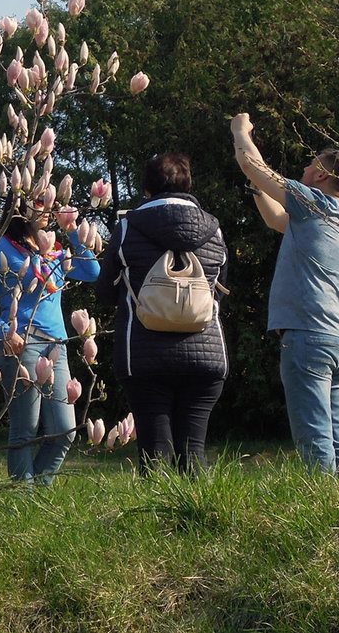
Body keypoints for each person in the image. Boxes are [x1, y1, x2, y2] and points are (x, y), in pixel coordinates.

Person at [231, 113, 339, 480]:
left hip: (307, 335)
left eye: (311, 163)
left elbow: (250, 162)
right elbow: (277, 221)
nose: (305, 167)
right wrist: (258, 188)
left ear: (321, 175)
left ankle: (323, 511)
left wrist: (240, 131)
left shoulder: (312, 203)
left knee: (314, 436)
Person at [94, 154, 229, 474]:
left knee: (155, 452)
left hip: (144, 355)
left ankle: (157, 523)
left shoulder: (127, 228)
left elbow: (104, 294)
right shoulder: (215, 230)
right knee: (193, 452)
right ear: (188, 185)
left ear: (147, 188)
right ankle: (200, 521)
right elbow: (221, 287)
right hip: (205, 354)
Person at [0, 196, 99, 485]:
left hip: (58, 345)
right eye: (38, 202)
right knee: (25, 430)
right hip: (21, 344)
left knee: (65, 431)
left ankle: (33, 496)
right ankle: (24, 501)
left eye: (50, 203)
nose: (47, 209)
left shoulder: (54, 250)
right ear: (18, 208)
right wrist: (5, 331)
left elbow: (92, 272)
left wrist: (72, 228)